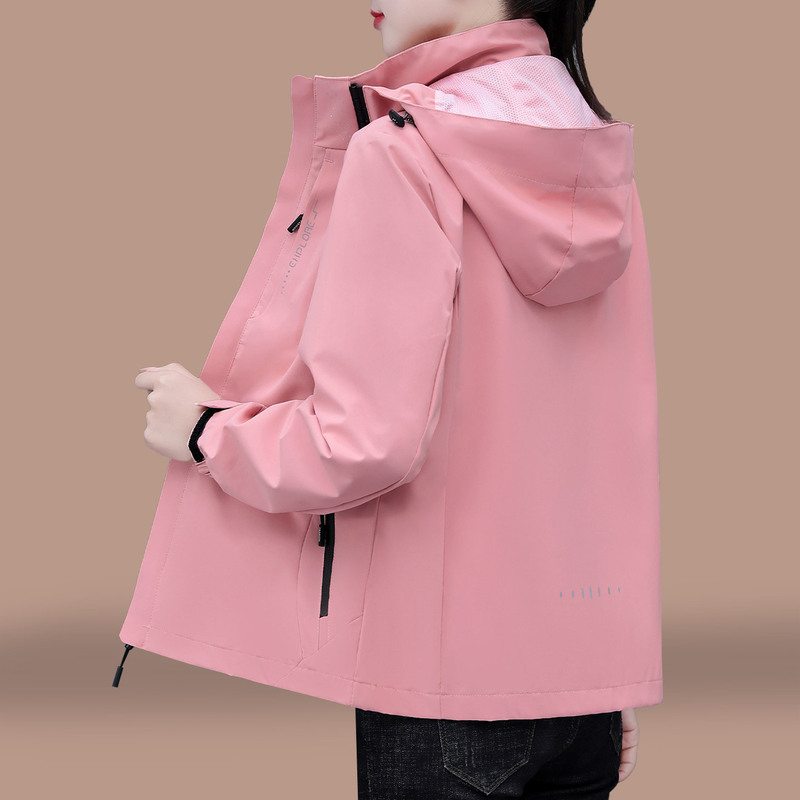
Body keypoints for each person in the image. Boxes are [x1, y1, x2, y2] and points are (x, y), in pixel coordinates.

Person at [120, 1, 661, 797]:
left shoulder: (404, 149)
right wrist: (601, 673)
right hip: (585, 688)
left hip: (442, 691)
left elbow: (363, 443)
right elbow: (592, 450)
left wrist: (207, 431)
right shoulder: (588, 146)